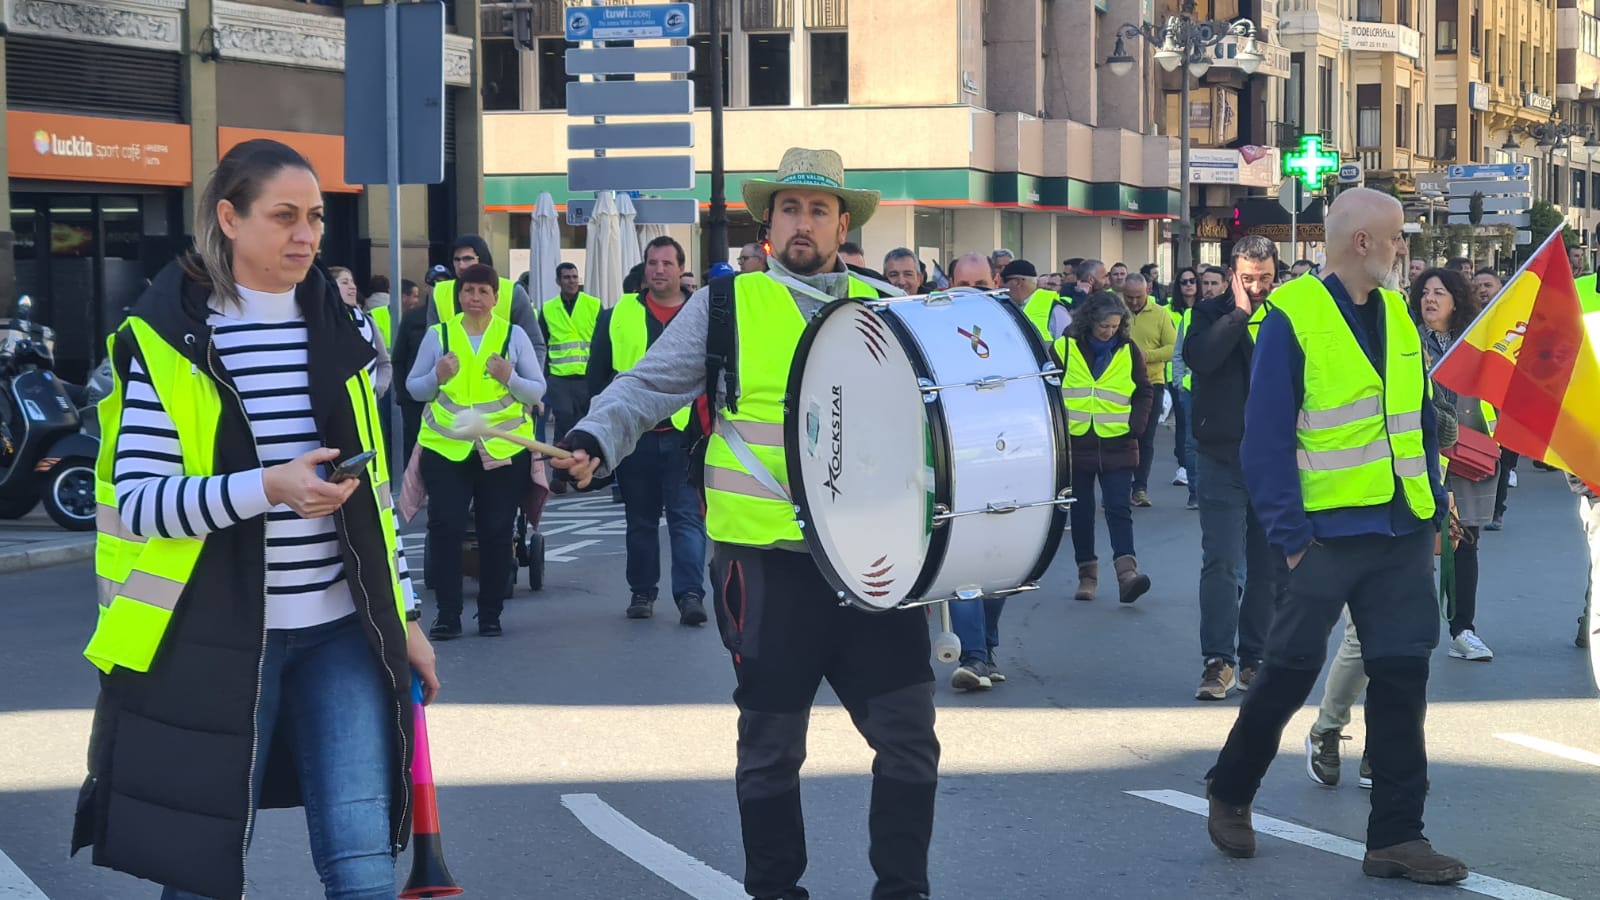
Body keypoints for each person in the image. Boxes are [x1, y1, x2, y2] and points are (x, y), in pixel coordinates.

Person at [552, 147, 941, 899]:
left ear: (841, 224)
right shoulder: (728, 303)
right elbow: (646, 385)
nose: (803, 223)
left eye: (818, 210)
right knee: (770, 748)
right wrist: (593, 439)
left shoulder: (887, 308)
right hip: (765, 565)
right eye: (790, 209)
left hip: (876, 563)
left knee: (908, 740)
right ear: (768, 224)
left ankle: (903, 891)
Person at [75, 138, 438, 900]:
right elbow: (139, 502)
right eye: (284, 216)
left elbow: (368, 496)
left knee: (364, 866)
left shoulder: (346, 335)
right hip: (219, 637)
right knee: (202, 871)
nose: (306, 234)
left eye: (314, 217)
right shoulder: (165, 341)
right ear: (229, 218)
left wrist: (400, 613)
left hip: (343, 630)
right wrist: (269, 487)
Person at [1203, 188, 1466, 885]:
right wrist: (1292, 540)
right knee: (1288, 673)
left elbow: (1411, 421)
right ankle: (1230, 789)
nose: (1403, 249)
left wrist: (1435, 507)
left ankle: (1398, 837)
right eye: (1396, 238)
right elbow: (1264, 444)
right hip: (1323, 536)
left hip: (1401, 528)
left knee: (1404, 676)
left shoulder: (1399, 316)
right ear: (1361, 244)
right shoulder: (1294, 315)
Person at [408, 263, 545, 639]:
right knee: (446, 528)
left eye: (484, 292)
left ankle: (490, 614)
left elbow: (536, 390)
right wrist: (437, 375)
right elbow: (414, 388)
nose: (475, 298)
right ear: (459, 296)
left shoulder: (512, 336)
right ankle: (448, 615)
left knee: (497, 532)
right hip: (447, 449)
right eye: (468, 291)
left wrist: (509, 378)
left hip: (501, 448)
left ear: (496, 298)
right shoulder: (439, 334)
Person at [1183, 236, 1287, 701]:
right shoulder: (1209, 312)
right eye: (1249, 278)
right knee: (1222, 561)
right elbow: (1201, 358)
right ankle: (1217, 660)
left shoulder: (1289, 314)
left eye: (1265, 278)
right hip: (1221, 454)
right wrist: (1239, 312)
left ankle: (1255, 657)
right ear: (1232, 275)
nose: (1259, 286)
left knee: (1267, 566)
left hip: (1274, 458)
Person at [588, 236, 708, 625]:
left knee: (686, 518)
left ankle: (690, 594)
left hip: (687, 436)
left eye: (667, 264)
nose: (658, 270)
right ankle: (642, 592)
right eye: (652, 263)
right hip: (634, 437)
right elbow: (598, 377)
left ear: (680, 269)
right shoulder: (617, 314)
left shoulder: (702, 312)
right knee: (639, 520)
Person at [1416, 268, 1496, 661]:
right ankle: (1415, 628)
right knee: (1417, 544)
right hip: (1422, 452)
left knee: (1464, 542)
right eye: (1425, 292)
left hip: (1468, 452)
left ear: (1456, 301)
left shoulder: (1474, 343)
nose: (1430, 299)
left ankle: (1463, 629)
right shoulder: (1408, 338)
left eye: (1440, 293)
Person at [941, 252, 1012, 690]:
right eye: (962, 285)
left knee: (1004, 561)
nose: (972, 294)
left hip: (1008, 456)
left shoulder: (1012, 328)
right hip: (955, 458)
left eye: (981, 286)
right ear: (948, 286)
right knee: (963, 560)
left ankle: (985, 643)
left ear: (996, 283)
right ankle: (974, 655)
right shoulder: (932, 330)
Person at [1056, 291, 1154, 604]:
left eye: (1114, 326)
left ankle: (1127, 575)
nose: (1109, 332)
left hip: (1119, 442)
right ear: (1089, 321)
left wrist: (1136, 425)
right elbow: (1048, 390)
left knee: (1118, 508)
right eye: (1103, 327)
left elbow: (1144, 391)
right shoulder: (1064, 348)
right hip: (1076, 442)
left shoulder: (1129, 350)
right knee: (1082, 512)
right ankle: (1087, 576)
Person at [427, 236, 542, 345]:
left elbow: (534, 341)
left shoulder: (513, 291)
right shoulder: (440, 292)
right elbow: (431, 343)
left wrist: (526, 366)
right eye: (456, 260)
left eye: (468, 259)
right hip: (453, 364)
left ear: (482, 258)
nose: (461, 265)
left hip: (501, 363)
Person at [1124, 273, 1175, 507]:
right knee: (1119, 438)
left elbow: (1173, 348)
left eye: (1138, 297)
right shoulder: (1116, 309)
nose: (1133, 302)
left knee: (1145, 437)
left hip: (1151, 383)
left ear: (1149, 291)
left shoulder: (1160, 314)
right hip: (1119, 384)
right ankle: (1118, 487)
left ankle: (1139, 488)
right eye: (1129, 297)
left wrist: (1147, 356)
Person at [541, 261, 602, 444]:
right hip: (560, 380)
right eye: (567, 277)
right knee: (564, 423)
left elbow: (602, 341)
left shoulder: (593, 304)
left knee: (587, 423)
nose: (572, 281)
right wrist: (545, 377)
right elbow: (542, 344)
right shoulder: (548, 309)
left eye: (575, 277)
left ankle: (585, 464)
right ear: (558, 281)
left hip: (587, 377)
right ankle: (561, 466)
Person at [329, 266, 393, 398]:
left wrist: (376, 389)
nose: (352, 287)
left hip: (367, 407)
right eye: (345, 282)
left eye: (352, 282)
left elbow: (384, 363)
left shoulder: (368, 321)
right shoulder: (322, 322)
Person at [1168, 266, 1200, 506]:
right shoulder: (1186, 315)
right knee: (1189, 440)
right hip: (1190, 387)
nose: (1190, 285)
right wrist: (1179, 383)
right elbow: (1177, 353)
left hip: (1219, 387)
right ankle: (1195, 491)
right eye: (1184, 281)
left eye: (1194, 281)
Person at [390, 278, 430, 467]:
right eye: (433, 284)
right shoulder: (413, 318)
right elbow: (398, 359)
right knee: (414, 450)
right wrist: (403, 395)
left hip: (447, 401)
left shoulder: (459, 317)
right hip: (414, 400)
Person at [1001, 259, 1070, 343]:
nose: (1001, 287)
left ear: (1018, 282)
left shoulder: (1053, 308)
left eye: (1004, 281)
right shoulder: (1007, 306)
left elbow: (1067, 348)